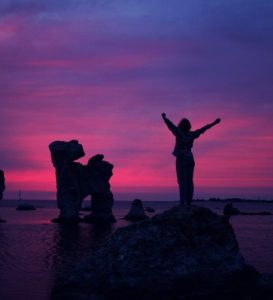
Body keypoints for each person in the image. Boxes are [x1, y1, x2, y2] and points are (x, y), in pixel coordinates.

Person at [161, 113, 221, 206]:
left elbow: (170, 125)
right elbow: (203, 129)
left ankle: (183, 202)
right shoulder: (192, 134)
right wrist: (214, 123)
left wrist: (164, 118)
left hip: (181, 158)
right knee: (189, 180)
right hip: (190, 158)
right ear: (189, 126)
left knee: (182, 180)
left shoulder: (178, 133)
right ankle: (189, 201)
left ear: (180, 125)